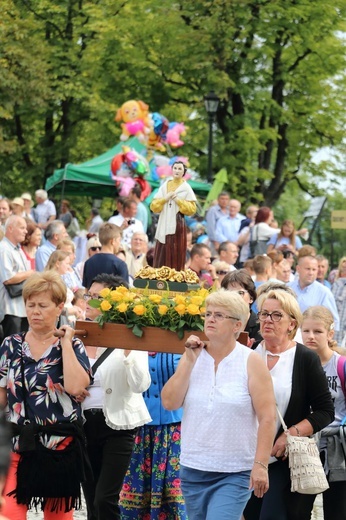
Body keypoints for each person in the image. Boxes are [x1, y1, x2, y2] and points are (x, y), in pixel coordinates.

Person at [161, 290, 277, 520]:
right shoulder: (192, 356)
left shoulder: (251, 361)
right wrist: (189, 361)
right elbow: (170, 402)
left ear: (237, 325)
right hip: (193, 467)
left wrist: (261, 464)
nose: (211, 319)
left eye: (219, 315)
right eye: (208, 314)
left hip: (235, 471)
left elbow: (267, 417)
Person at [0, 271, 92, 519]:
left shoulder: (72, 346)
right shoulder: (11, 344)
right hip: (19, 444)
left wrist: (65, 343)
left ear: (60, 306)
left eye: (42, 305)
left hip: (60, 447)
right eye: (30, 305)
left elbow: (76, 388)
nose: (35, 311)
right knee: (10, 514)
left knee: (57, 515)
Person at [243, 288, 334, 520]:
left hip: (284, 460)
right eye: (263, 314)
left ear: (292, 323)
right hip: (247, 457)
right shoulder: (248, 355)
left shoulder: (304, 358)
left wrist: (290, 434)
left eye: (276, 315)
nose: (267, 320)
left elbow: (325, 411)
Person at [77, 273, 151, 520]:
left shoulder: (128, 335)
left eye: (98, 297)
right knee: (91, 501)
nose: (89, 301)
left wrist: (129, 353)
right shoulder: (76, 334)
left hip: (119, 424)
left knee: (105, 499)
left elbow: (141, 384)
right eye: (89, 294)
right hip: (85, 425)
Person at [120, 352, 187, 520]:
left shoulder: (179, 342)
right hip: (138, 428)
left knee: (175, 491)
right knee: (135, 489)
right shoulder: (132, 345)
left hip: (175, 429)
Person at [301, 306, 346, 520]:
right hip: (304, 448)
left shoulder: (340, 365)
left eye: (317, 331)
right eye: (306, 331)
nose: (311, 337)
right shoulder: (297, 363)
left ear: (330, 334)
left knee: (336, 509)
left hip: (337, 449)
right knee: (298, 509)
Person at [150, 161, 197, 271]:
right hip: (164, 220)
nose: (177, 171)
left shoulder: (186, 188)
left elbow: (191, 209)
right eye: (175, 168)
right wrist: (165, 199)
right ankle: (160, 271)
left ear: (184, 172)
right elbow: (154, 206)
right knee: (162, 247)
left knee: (175, 246)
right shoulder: (165, 185)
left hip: (177, 222)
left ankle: (174, 272)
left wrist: (178, 200)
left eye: (180, 169)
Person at [0, 216, 35, 337]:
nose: (26, 231)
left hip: (22, 308)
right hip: (10, 309)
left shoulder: (18, 249)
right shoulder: (4, 248)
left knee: (21, 348)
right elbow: (8, 278)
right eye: (22, 228)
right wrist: (30, 273)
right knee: (10, 349)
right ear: (10, 228)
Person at [289, 255, 340, 331]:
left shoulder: (324, 293)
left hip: (310, 340)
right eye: (308, 269)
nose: (311, 273)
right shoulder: (287, 288)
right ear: (298, 269)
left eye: (314, 269)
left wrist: (327, 338)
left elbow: (334, 322)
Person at [82, 223, 129, 289]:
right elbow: (124, 291)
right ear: (113, 241)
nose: (120, 243)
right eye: (119, 240)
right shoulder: (120, 264)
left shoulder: (88, 262)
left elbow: (86, 290)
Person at [221, 269, 261, 343]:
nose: (235, 297)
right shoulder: (220, 322)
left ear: (251, 298)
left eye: (240, 293)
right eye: (230, 293)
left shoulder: (260, 325)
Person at [45, 250, 84, 325]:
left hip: (66, 320)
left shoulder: (59, 279)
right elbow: (52, 306)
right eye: (67, 264)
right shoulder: (51, 281)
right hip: (58, 322)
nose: (69, 267)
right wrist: (72, 311)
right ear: (58, 263)